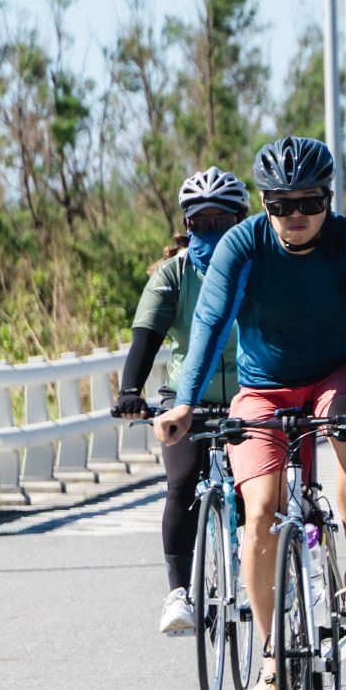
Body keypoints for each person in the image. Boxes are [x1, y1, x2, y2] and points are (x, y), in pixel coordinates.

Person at [152, 137, 346, 690]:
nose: (295, 215)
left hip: (341, 370)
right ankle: (273, 658)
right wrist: (186, 403)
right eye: (280, 204)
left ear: (328, 199)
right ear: (264, 204)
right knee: (260, 511)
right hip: (265, 386)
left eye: (308, 203)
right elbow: (210, 323)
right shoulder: (242, 245)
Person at [115, 167, 247, 636]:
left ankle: (281, 570)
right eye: (201, 222)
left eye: (222, 222)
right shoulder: (173, 274)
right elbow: (146, 338)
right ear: (187, 225)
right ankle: (179, 593)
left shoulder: (261, 267)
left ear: (241, 222)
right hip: (185, 400)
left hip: (252, 395)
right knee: (182, 481)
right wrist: (130, 391)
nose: (211, 230)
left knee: (261, 488)